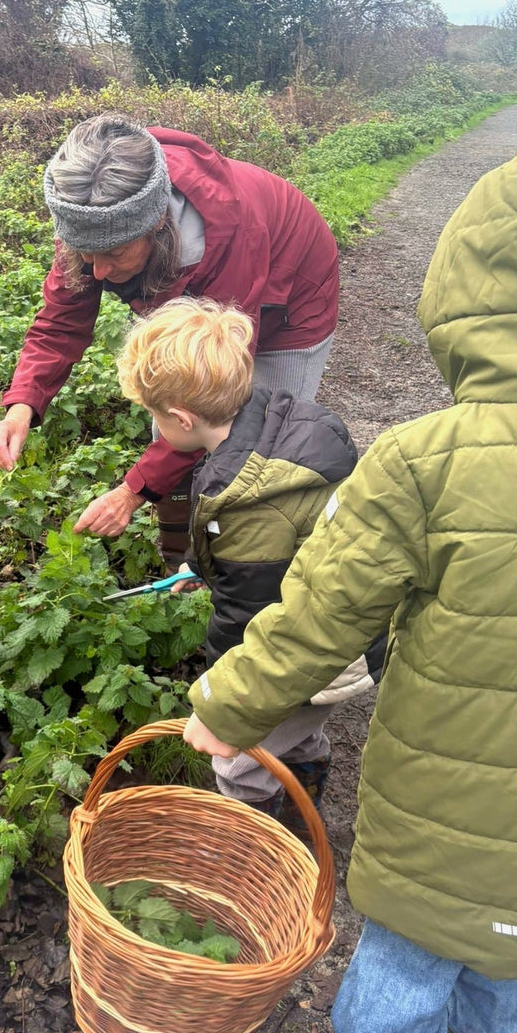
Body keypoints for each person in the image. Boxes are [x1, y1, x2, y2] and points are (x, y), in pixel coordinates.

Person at [181, 127, 517, 1033]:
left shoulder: (423, 461)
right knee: (508, 977)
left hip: (438, 810)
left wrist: (226, 704)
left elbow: (316, 616)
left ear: (467, 290)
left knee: (396, 985)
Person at [0, 113, 339, 569]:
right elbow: (60, 322)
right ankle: (181, 564)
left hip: (292, 296)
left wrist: (131, 492)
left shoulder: (226, 237)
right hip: (207, 277)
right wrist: (21, 409)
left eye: (113, 255)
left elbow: (210, 394)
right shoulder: (93, 219)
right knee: (172, 416)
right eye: (84, 253)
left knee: (257, 431)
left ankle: (250, 563)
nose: (97, 272)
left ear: (157, 228)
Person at [115, 297, 376, 828]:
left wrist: (225, 698)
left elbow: (246, 616)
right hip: (342, 636)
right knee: (299, 728)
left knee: (237, 760)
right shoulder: (276, 426)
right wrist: (202, 566)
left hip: (309, 656)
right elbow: (254, 546)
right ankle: (303, 805)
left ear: (182, 419)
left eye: (154, 416)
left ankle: (258, 847)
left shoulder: (246, 500)